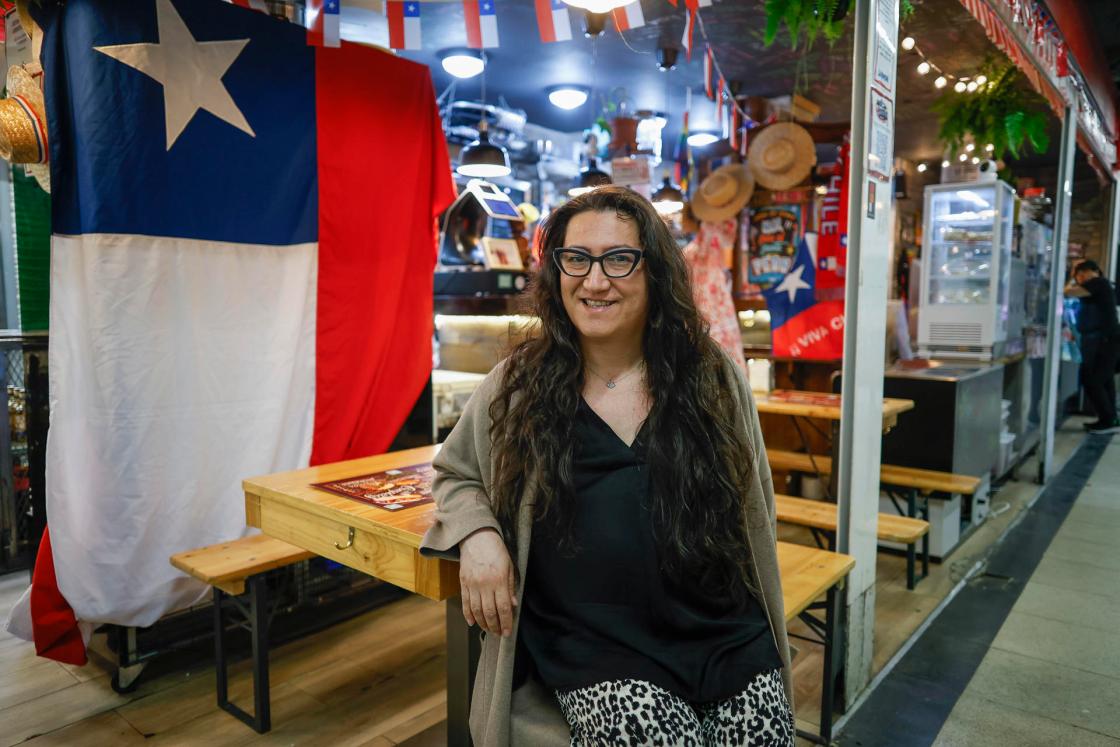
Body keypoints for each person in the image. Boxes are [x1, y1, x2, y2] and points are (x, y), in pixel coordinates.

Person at [421, 186, 794, 746]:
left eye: (619, 259)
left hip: (718, 625)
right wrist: (476, 535)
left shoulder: (710, 374)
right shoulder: (520, 383)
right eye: (577, 259)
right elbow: (455, 471)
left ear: (655, 271)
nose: (595, 281)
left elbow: (754, 502)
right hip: (596, 639)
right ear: (556, 270)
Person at [1065, 259, 1119, 433]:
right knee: (1104, 380)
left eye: (1080, 274)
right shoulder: (1101, 285)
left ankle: (1108, 420)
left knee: (1092, 379)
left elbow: (1068, 292)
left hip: (1102, 340)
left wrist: (1070, 278)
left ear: (1088, 272)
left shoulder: (1098, 283)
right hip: (1105, 340)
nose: (1079, 278)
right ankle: (1110, 418)